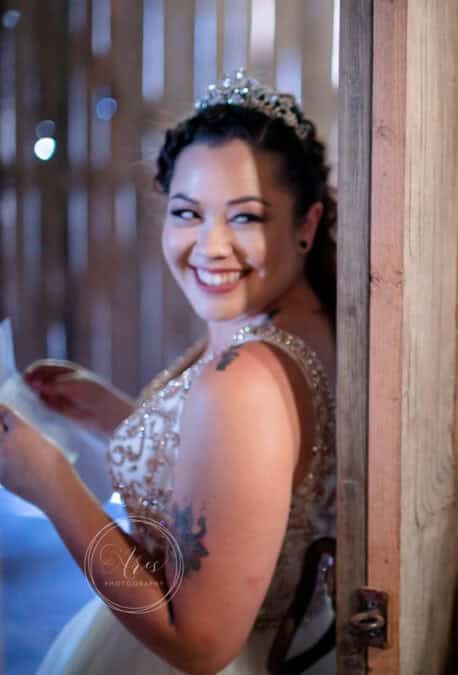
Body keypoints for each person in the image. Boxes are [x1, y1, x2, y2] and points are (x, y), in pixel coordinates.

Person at [0, 70, 337, 674]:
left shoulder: (244, 379)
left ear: (306, 225)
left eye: (245, 217)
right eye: (187, 213)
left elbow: (198, 642)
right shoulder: (295, 328)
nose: (209, 247)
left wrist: (52, 484)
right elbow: (247, 488)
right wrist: (118, 415)